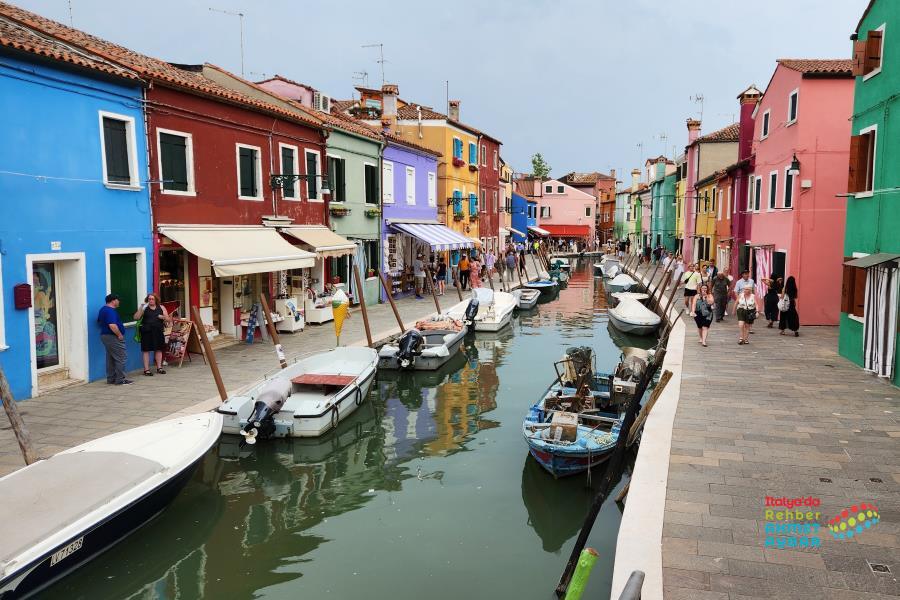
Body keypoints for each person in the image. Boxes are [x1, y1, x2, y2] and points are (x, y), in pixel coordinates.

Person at [98, 293, 132, 385]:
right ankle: (120, 379)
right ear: (113, 301)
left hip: (106, 336)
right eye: (118, 300)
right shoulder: (110, 311)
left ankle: (111, 379)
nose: (119, 301)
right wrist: (119, 335)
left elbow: (99, 321)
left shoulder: (103, 309)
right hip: (113, 337)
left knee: (111, 358)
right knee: (121, 357)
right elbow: (112, 325)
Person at [134, 293, 170, 376]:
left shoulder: (161, 307)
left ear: (156, 300)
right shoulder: (144, 308)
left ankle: (159, 368)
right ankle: (146, 370)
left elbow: (168, 319)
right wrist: (140, 308)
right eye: (149, 299)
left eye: (152, 299)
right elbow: (136, 317)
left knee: (158, 349)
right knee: (146, 350)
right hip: (146, 332)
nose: (150, 300)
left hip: (158, 331)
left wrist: (163, 317)